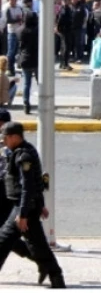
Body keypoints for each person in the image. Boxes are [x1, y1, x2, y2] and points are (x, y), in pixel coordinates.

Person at [0, 121, 65, 287]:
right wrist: (40, 205)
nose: (3, 140)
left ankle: (56, 276)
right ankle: (56, 276)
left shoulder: (23, 155)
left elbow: (28, 186)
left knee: (3, 241)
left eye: (5, 137)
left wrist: (22, 214)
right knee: (38, 246)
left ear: (14, 137)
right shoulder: (21, 151)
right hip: (27, 206)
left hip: (23, 208)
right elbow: (36, 184)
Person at [0, 109, 43, 282]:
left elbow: (27, 179)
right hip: (6, 192)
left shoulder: (14, 147)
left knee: (8, 235)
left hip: (7, 194)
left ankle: (43, 261)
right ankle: (41, 261)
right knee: (8, 235)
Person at [16, 5, 38, 115]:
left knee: (26, 84)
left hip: (25, 59)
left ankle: (26, 103)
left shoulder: (20, 30)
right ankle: (44, 102)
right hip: (37, 59)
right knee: (41, 82)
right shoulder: (37, 31)